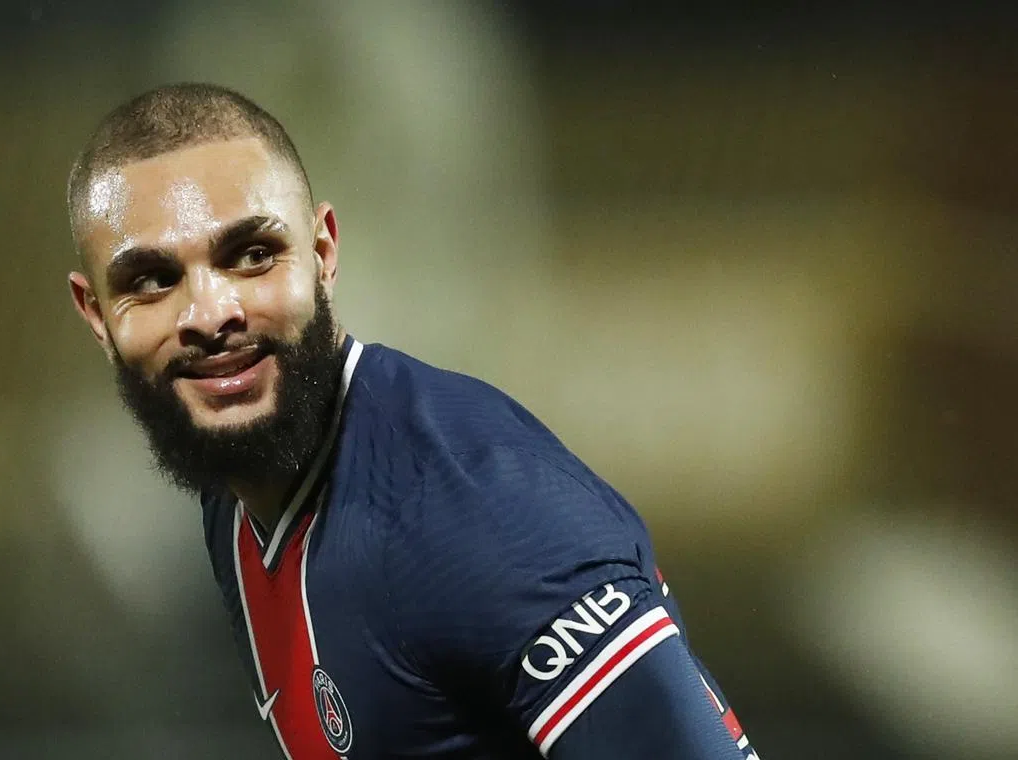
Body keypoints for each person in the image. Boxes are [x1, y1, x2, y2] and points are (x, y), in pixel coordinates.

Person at [66, 82, 759, 760]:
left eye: (252, 256)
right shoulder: (236, 489)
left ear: (323, 254)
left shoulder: (477, 517)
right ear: (97, 315)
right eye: (151, 281)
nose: (211, 314)